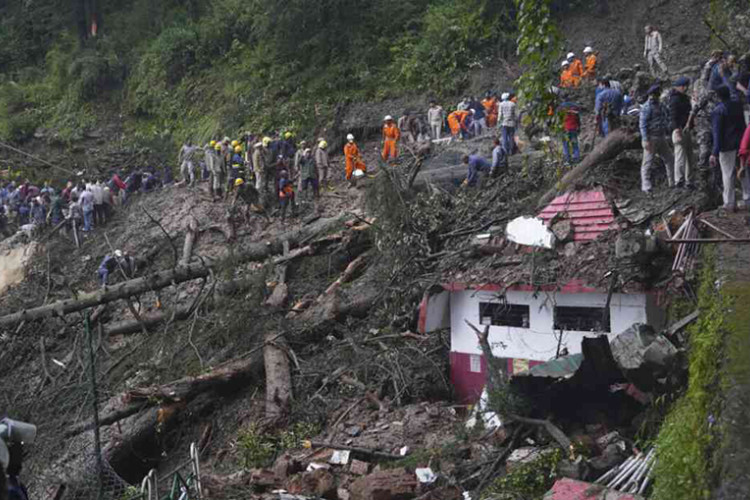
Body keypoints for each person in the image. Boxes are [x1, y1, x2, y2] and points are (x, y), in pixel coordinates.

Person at [710, 85, 748, 211]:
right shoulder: (737, 106)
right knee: (744, 170)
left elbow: (717, 133)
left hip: (726, 147)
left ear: (718, 96)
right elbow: (743, 126)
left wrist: (714, 153)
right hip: (741, 144)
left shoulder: (718, 111)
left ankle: (729, 203)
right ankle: (748, 198)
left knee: (727, 174)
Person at [640, 84, 675, 193]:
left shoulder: (661, 105)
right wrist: (645, 139)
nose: (654, 97)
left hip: (661, 136)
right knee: (648, 162)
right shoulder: (647, 107)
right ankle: (646, 186)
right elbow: (643, 124)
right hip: (651, 137)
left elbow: (667, 116)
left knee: (670, 159)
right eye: (653, 95)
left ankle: (672, 182)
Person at [669, 76, 695, 188]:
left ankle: (689, 181)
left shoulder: (684, 97)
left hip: (686, 129)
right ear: (679, 87)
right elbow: (673, 117)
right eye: (683, 86)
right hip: (679, 129)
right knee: (680, 157)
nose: (685, 88)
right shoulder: (674, 99)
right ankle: (679, 180)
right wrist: (677, 130)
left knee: (689, 156)